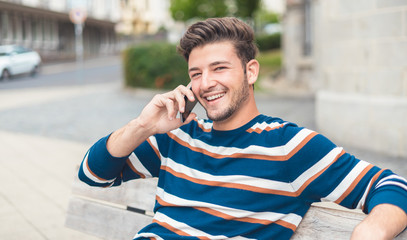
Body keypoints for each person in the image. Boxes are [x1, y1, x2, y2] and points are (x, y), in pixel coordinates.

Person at [78, 17, 407, 240]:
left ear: (251, 72)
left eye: (219, 68)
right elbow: (93, 174)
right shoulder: (177, 138)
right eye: (196, 73)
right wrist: (143, 125)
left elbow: (392, 186)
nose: (206, 83)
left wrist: (369, 233)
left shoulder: (288, 146)